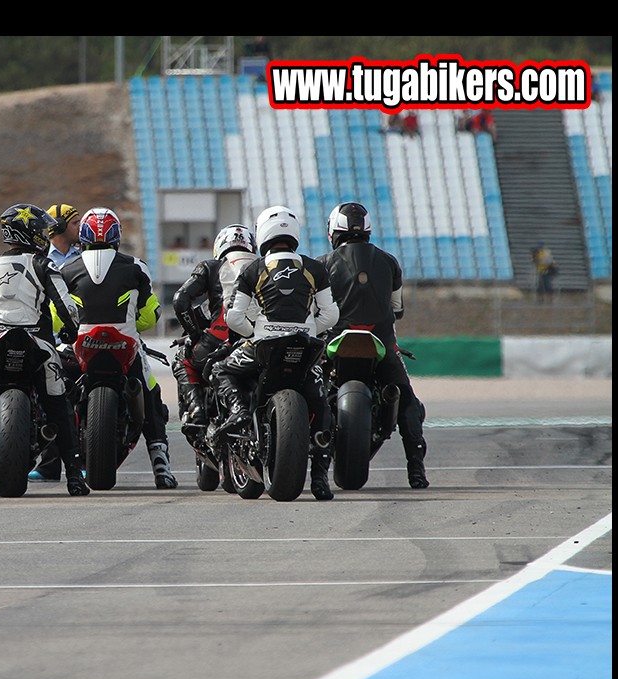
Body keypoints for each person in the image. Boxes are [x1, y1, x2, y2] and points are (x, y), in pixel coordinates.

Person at [0, 203, 89, 497]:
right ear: (27, 234)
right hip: (38, 345)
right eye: (38, 230)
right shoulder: (44, 265)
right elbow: (66, 308)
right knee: (59, 404)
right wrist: (71, 331)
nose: (42, 235)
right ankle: (75, 476)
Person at [211, 206, 339, 500]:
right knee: (321, 401)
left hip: (262, 348)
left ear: (262, 234)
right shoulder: (314, 269)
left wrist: (256, 332)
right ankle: (320, 478)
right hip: (305, 348)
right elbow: (330, 315)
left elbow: (233, 318)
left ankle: (239, 412)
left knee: (221, 370)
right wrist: (308, 330)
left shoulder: (252, 269)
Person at [57, 207, 178, 489]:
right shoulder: (136, 266)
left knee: (57, 393)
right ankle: (160, 463)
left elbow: (53, 313)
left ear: (84, 235)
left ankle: (65, 460)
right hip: (125, 346)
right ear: (116, 236)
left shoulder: (66, 269)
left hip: (80, 346)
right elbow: (151, 315)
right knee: (151, 393)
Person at [316, 202, 430, 489]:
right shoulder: (390, 262)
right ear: (367, 230)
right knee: (408, 400)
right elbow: (398, 309)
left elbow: (313, 309)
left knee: (311, 394)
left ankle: (317, 470)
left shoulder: (322, 264)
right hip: (380, 343)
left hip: (334, 342)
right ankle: (416, 471)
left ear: (333, 231)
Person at [171, 223, 259, 428]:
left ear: (220, 245)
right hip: (259, 339)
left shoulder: (211, 266)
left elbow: (180, 300)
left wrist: (193, 334)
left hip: (219, 340)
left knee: (182, 359)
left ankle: (196, 409)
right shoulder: (265, 265)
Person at [29, 203, 84, 482]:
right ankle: (49, 464)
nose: (81, 228)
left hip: (80, 338)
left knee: (81, 396)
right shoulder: (37, 258)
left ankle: (86, 459)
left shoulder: (87, 256)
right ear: (60, 227)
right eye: (75, 223)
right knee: (47, 399)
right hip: (46, 341)